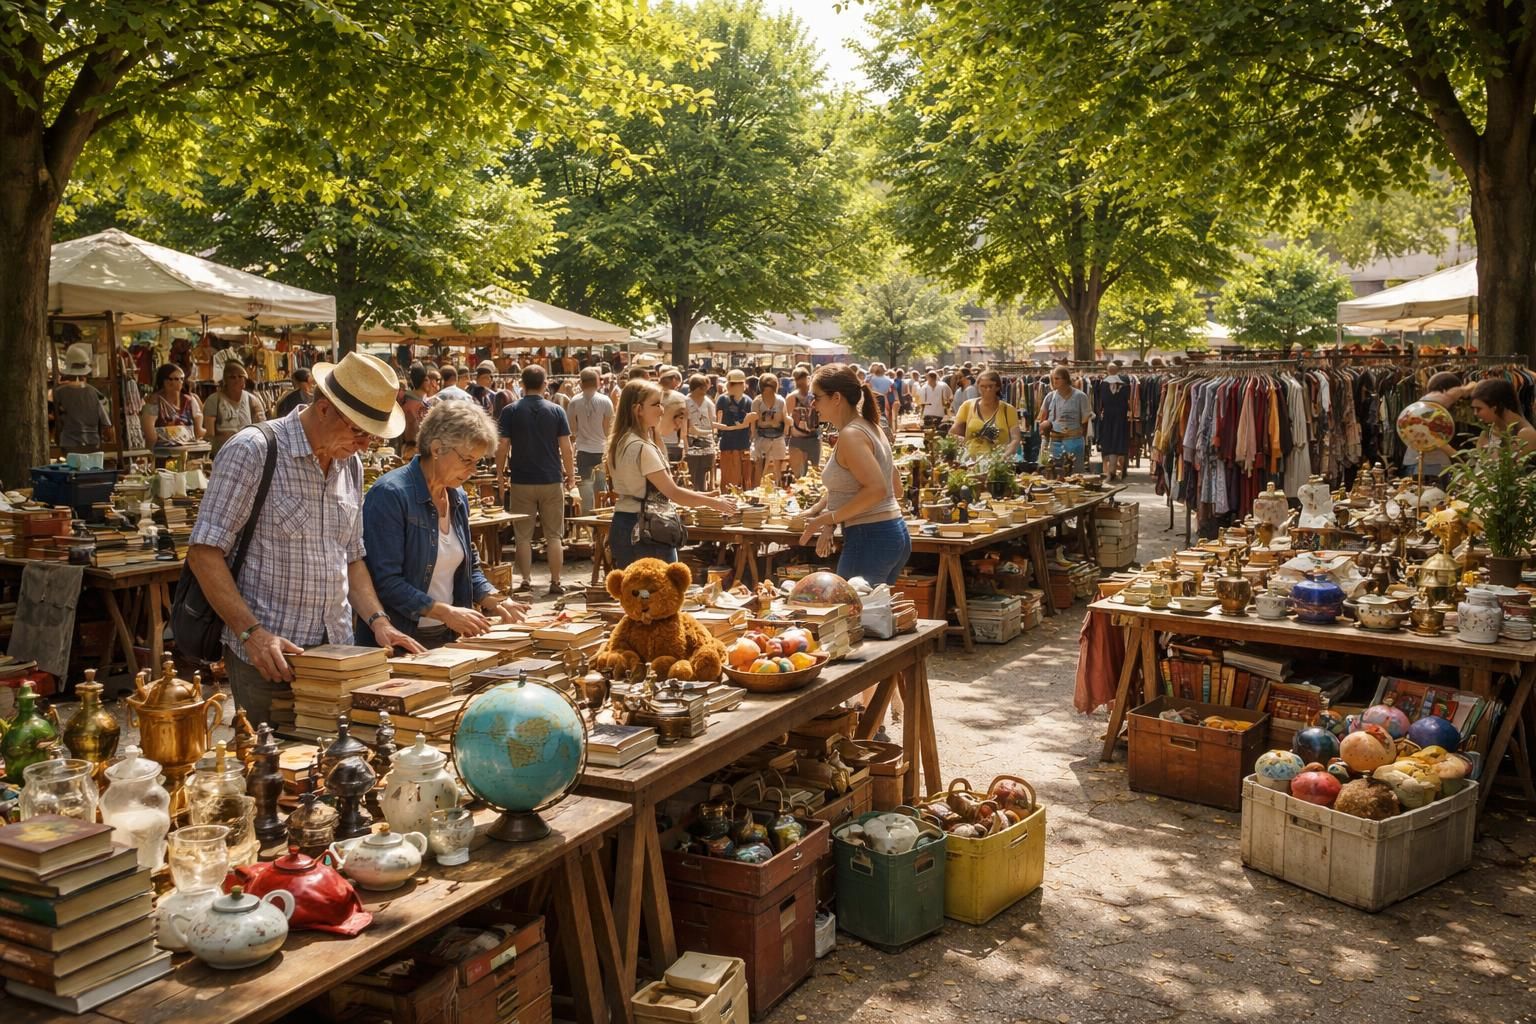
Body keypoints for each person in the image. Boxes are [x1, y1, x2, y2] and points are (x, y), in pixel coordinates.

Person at [187, 352, 425, 725]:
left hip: (336, 652)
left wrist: (379, 620)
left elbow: (352, 556)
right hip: (270, 657)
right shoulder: (253, 450)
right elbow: (204, 552)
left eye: (372, 435)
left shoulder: (351, 463)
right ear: (325, 408)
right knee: (271, 768)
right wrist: (252, 633)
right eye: (358, 430)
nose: (364, 444)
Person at [363, 400, 528, 649]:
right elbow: (386, 582)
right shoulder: (391, 494)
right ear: (437, 448)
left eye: (478, 462)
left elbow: (468, 565)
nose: (472, 470)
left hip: (447, 635)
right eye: (467, 460)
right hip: (401, 638)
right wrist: (445, 612)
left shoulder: (456, 495)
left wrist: (495, 599)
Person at [797, 364, 909, 585]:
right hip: (887, 533)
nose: (813, 403)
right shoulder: (869, 426)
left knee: (851, 614)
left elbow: (877, 489)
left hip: (870, 536)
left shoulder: (852, 434)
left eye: (816, 397)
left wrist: (827, 518)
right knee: (874, 614)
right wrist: (825, 518)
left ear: (836, 398)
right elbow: (893, 487)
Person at [606, 380, 736, 567]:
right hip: (646, 529)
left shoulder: (622, 441)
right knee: (658, 592)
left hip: (625, 523)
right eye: (656, 404)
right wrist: (715, 503)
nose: (661, 410)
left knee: (635, 593)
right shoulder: (641, 447)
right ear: (638, 409)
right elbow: (673, 493)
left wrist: (705, 496)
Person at [495, 364, 574, 596]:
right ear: (545, 383)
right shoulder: (557, 410)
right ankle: (556, 581)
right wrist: (570, 475)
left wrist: (500, 474)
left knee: (522, 536)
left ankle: (527, 580)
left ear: (522, 383)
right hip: (551, 479)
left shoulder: (510, 410)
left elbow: (502, 447)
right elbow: (566, 448)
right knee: (554, 535)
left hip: (521, 480)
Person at [568, 367, 614, 515]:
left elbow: (572, 429)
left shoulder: (574, 401)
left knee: (585, 486)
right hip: (601, 449)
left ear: (581, 383)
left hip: (583, 450)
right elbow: (608, 429)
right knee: (600, 486)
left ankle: (587, 518)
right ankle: (600, 516)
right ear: (597, 382)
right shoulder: (605, 400)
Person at [54, 343, 113, 453]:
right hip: (92, 442)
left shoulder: (59, 393)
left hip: (68, 443)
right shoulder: (94, 392)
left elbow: (55, 418)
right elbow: (106, 423)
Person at [950, 369, 1021, 459]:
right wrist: (964, 443)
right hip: (971, 462)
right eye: (983, 386)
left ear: (998, 387)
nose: (987, 389)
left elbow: (1016, 438)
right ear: (978, 388)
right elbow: (953, 433)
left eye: (991, 386)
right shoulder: (967, 406)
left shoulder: (1008, 410)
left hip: (997, 462)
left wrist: (1005, 456)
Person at [201, 360, 267, 455]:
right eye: (232, 377)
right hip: (222, 452)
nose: (236, 380)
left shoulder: (252, 400)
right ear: (225, 380)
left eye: (240, 376)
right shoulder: (214, 400)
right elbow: (210, 434)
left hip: (248, 451)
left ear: (245, 380)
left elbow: (261, 428)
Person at [1039, 366, 1093, 472]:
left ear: (1066, 379)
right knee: (1052, 474)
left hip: (1074, 441)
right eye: (1053, 378)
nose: (1054, 381)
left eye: (1057, 378)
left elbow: (1085, 422)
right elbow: (1042, 419)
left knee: (1075, 474)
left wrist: (1083, 442)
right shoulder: (1050, 397)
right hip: (1053, 443)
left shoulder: (1080, 397)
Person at [141, 362, 206, 445]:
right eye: (174, 379)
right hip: (162, 449)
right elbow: (149, 428)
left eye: (181, 379)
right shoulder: (155, 401)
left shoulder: (190, 401)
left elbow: (199, 430)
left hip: (188, 447)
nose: (179, 382)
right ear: (164, 381)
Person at [1470, 377, 1536, 454]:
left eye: (1479, 409)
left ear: (1495, 407)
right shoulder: (1490, 430)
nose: (1475, 413)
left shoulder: (1526, 434)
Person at [716, 369, 756, 490]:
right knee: (728, 480)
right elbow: (719, 421)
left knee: (745, 478)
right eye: (731, 383)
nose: (731, 386)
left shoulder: (748, 401)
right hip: (727, 444)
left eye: (736, 384)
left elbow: (752, 425)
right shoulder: (723, 400)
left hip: (743, 444)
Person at [752, 373, 788, 486]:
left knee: (778, 470)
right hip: (762, 438)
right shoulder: (757, 402)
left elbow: (781, 420)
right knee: (760, 469)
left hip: (778, 437)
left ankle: (777, 490)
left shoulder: (781, 401)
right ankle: (756, 492)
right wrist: (754, 438)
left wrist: (768, 423)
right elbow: (755, 422)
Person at [785, 365, 821, 477]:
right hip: (797, 440)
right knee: (798, 475)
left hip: (813, 438)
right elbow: (787, 419)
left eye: (803, 379)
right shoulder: (792, 398)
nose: (802, 382)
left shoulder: (815, 396)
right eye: (799, 379)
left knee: (814, 472)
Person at [1097, 368, 1132, 481]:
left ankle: (1111, 470)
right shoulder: (1125, 386)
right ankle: (1116, 471)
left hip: (1108, 418)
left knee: (1111, 442)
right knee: (1117, 442)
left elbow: (1100, 403)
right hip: (1120, 418)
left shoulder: (1103, 385)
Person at [683, 374, 717, 491]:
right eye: (703, 387)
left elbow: (713, 423)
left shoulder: (708, 403)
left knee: (704, 471)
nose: (706, 390)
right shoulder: (685, 401)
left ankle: (703, 492)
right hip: (690, 440)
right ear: (698, 388)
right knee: (692, 471)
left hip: (706, 441)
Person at [398, 363, 436, 459]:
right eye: (427, 380)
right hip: (411, 449)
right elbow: (411, 429)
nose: (430, 383)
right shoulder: (409, 404)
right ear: (421, 381)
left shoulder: (420, 401)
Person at [657, 366, 685, 464]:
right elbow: (684, 424)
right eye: (677, 386)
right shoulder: (680, 397)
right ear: (674, 380)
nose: (677, 388)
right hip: (673, 442)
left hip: (651, 441)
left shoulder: (648, 394)